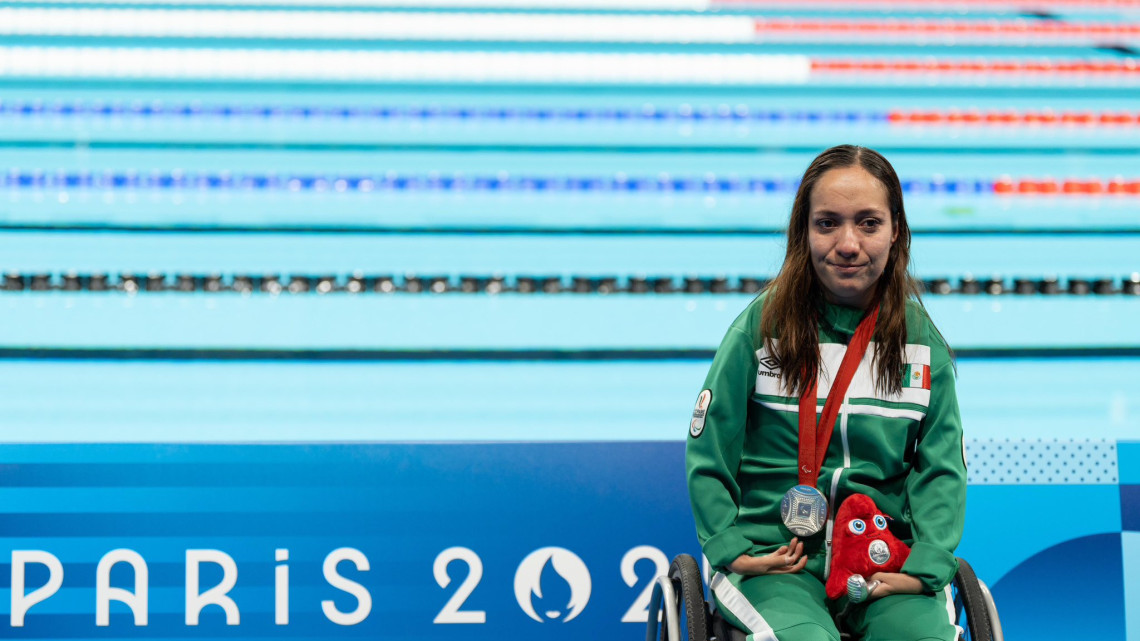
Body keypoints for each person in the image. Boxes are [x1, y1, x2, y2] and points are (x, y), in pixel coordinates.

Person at [685, 145, 966, 641]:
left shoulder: (921, 345)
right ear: (803, 231)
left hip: (882, 564)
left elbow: (941, 470)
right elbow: (710, 449)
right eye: (828, 223)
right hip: (777, 563)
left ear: (895, 230)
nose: (849, 243)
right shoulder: (759, 329)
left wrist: (924, 566)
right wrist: (731, 547)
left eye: (869, 223)